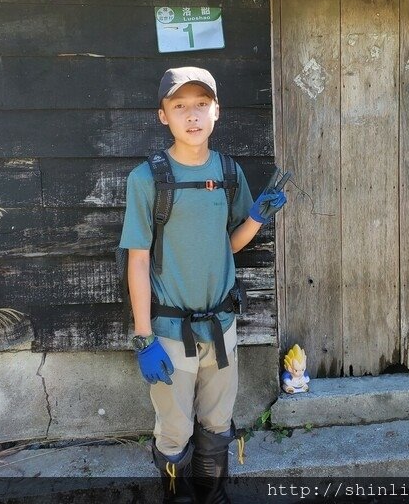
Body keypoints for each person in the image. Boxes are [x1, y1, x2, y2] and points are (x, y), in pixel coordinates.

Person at [119, 67, 287, 503]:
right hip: (171, 332)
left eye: (200, 105)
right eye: (179, 107)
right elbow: (137, 261)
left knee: (217, 422)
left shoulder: (229, 173)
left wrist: (256, 218)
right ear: (163, 116)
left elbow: (225, 245)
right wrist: (143, 338)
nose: (191, 116)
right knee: (174, 429)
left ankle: (210, 496)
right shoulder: (146, 179)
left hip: (222, 327)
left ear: (217, 111)